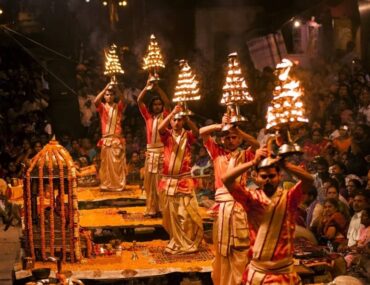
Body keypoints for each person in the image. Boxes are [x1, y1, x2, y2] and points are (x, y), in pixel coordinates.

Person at [222, 147, 314, 285]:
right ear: (256, 178)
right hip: (258, 274)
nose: (268, 180)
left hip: (284, 274)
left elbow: (309, 180)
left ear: (279, 177)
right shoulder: (250, 199)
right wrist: (253, 162)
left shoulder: (289, 197)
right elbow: (226, 179)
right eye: (263, 176)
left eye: (271, 176)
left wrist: (285, 165)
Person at [199, 114, 258, 285]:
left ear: (239, 139)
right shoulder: (217, 152)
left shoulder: (245, 155)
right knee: (221, 249)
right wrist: (221, 126)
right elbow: (202, 132)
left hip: (239, 207)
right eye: (227, 137)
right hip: (222, 207)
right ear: (222, 139)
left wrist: (237, 129)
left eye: (234, 137)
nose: (231, 140)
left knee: (239, 247)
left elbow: (257, 145)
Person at [157, 105, 203, 254]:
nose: (176, 123)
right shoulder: (167, 135)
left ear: (182, 121)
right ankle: (175, 240)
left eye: (179, 120)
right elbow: (159, 128)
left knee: (185, 213)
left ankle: (186, 242)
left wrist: (187, 118)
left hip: (184, 179)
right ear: (170, 121)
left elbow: (197, 132)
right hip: (168, 181)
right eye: (174, 120)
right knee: (171, 215)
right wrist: (172, 112)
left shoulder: (188, 135)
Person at [137, 79, 170, 217]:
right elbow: (139, 101)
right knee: (150, 183)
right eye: (155, 104)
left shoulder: (166, 116)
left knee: (161, 182)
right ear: (152, 107)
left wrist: (158, 88)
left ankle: (162, 209)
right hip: (150, 153)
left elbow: (168, 102)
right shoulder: (148, 117)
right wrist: (146, 87)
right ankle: (152, 209)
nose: (157, 106)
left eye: (159, 104)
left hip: (162, 152)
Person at [94, 83, 126, 191]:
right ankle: (107, 184)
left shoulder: (118, 107)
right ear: (104, 96)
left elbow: (124, 100)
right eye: (107, 95)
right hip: (106, 139)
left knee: (117, 164)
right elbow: (95, 101)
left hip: (116, 139)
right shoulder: (102, 107)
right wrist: (106, 87)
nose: (109, 96)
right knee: (105, 164)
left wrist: (117, 88)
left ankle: (117, 185)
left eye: (111, 95)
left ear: (114, 96)